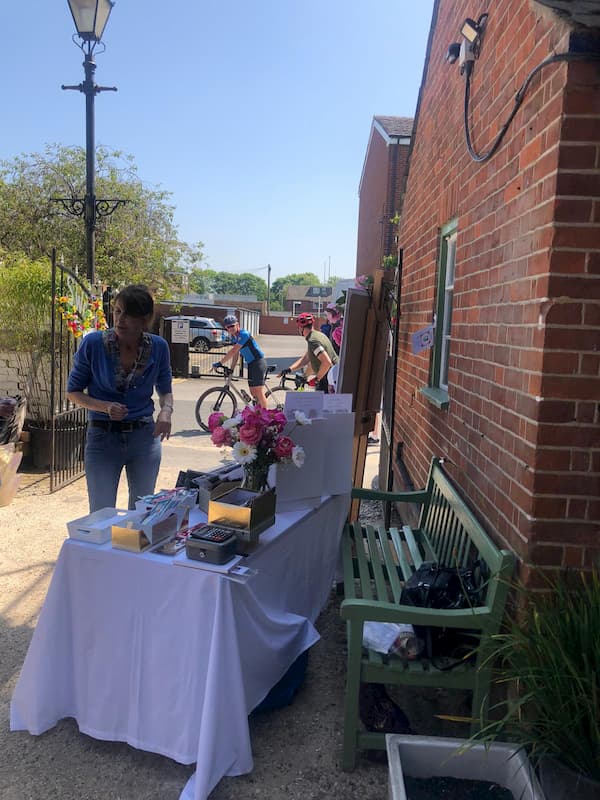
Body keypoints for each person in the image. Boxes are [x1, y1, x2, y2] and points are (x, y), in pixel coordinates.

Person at [67, 284, 173, 512]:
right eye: (117, 311)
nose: (120, 319)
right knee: (102, 513)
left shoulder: (159, 347)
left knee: (143, 512)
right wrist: (104, 406)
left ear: (144, 319)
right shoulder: (93, 344)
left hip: (144, 437)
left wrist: (166, 411)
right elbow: (73, 391)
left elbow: (165, 389)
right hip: (103, 438)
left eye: (129, 313)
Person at [213, 314, 269, 408]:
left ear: (237, 325)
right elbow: (236, 354)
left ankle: (266, 416)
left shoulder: (244, 334)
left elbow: (233, 350)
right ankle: (258, 413)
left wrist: (220, 363)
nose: (231, 328)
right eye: (228, 327)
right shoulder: (234, 337)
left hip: (258, 362)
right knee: (253, 392)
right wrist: (231, 369)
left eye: (232, 326)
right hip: (251, 364)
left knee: (258, 391)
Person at [288, 312, 338, 393]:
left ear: (301, 328)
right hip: (333, 375)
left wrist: (317, 379)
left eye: (298, 327)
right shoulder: (318, 335)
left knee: (320, 403)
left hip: (329, 379)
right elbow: (308, 359)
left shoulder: (313, 341)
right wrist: (290, 369)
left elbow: (327, 362)